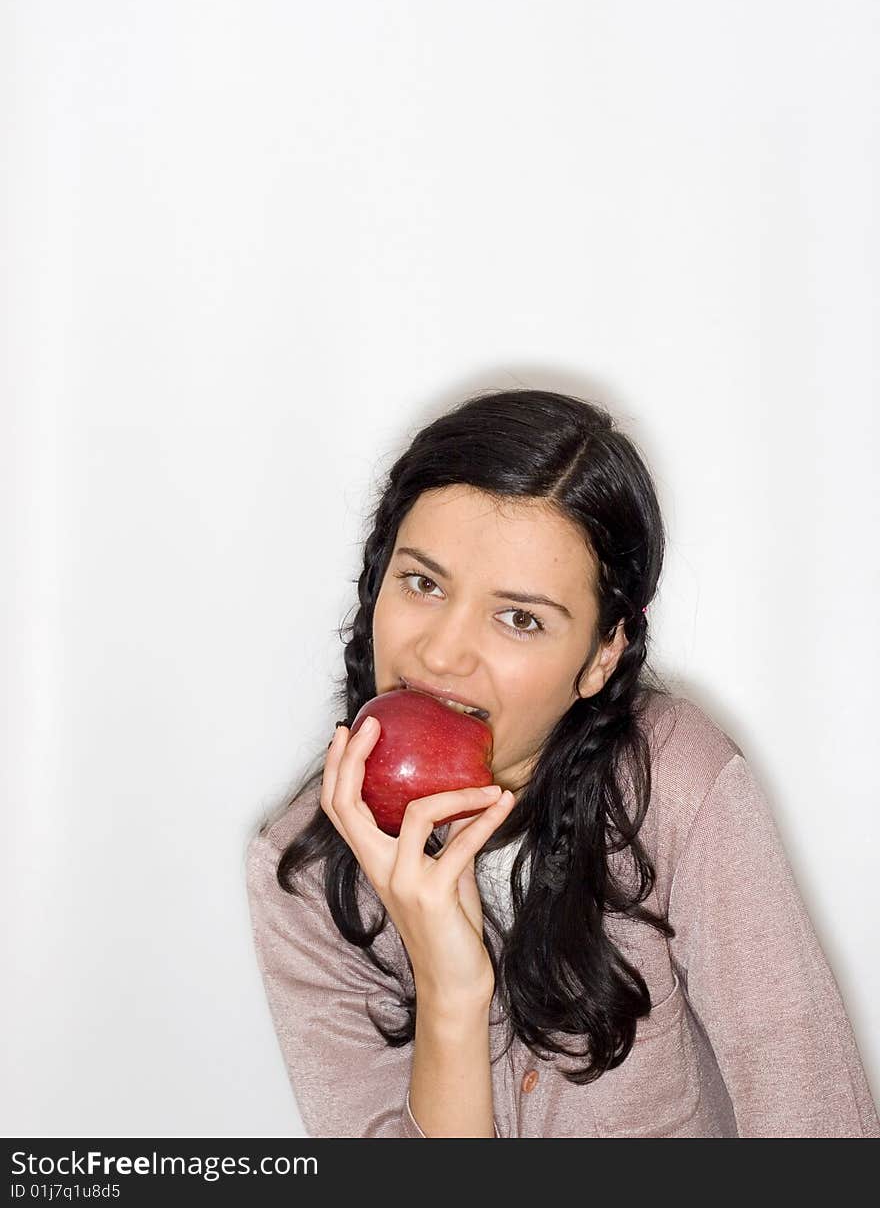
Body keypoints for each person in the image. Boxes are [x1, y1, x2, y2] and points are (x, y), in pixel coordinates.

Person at [245, 388, 879, 1137]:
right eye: (422, 582)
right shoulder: (304, 874)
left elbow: (812, 1116)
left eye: (520, 618)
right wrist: (451, 990)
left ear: (601, 655)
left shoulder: (679, 784)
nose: (442, 653)